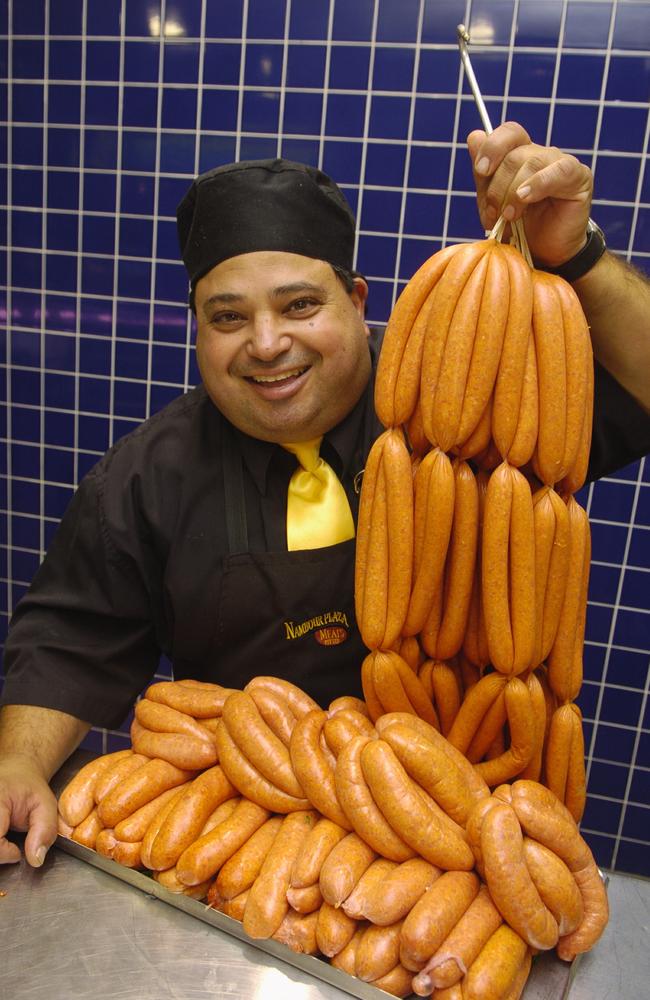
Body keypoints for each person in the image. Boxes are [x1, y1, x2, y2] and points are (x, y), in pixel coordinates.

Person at [1, 123, 649, 871]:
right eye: (228, 317)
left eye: (300, 305)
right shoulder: (149, 475)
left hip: (463, 834)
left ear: (357, 301)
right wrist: (18, 762)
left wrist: (580, 257)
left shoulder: (473, 412)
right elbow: (69, 639)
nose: (267, 342)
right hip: (248, 846)